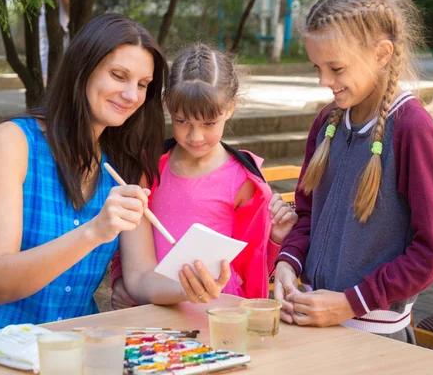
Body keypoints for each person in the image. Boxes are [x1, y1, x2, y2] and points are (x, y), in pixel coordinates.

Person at [0, 14, 231, 339]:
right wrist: (95, 230)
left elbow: (139, 278)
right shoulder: (11, 142)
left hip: (76, 351)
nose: (131, 95)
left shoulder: (125, 167)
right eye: (118, 75)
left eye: (142, 85)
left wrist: (187, 285)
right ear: (83, 68)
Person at [273, 0, 433, 343]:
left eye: (336, 69)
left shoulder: (412, 129)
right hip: (315, 328)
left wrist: (351, 303)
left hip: (377, 340)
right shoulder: (327, 122)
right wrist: (287, 262)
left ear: (382, 53)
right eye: (317, 68)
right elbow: (309, 215)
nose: (324, 80)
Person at [110, 43, 298, 310]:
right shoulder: (148, 170)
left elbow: (254, 268)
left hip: (219, 310)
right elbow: (132, 253)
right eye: (182, 121)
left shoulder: (245, 182)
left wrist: (277, 239)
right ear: (168, 107)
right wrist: (120, 278)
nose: (194, 136)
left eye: (208, 123)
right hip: (157, 306)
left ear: (230, 108)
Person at [39, 0, 70, 85]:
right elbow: (66, 3)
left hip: (43, 22)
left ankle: (45, 85)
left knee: (44, 54)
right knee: (56, 56)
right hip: (59, 25)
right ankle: (51, 87)